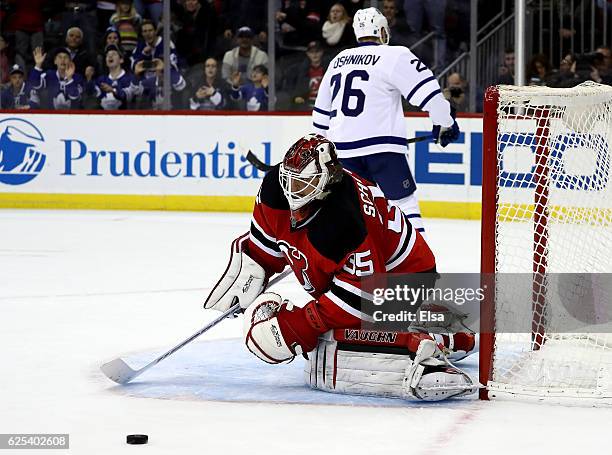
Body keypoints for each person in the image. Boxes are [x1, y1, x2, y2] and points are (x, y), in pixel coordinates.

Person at [204, 133, 477, 402]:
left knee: (336, 342)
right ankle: (440, 325)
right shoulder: (275, 187)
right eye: (288, 180)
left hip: (406, 276)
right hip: (361, 278)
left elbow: (362, 297)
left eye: (301, 185)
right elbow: (265, 247)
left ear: (325, 183)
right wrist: (250, 270)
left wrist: (298, 325)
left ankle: (437, 347)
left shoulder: (346, 220)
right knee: (328, 337)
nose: (291, 191)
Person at [311, 7, 460, 234]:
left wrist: (321, 151)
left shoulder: (338, 60)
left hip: (343, 151)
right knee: (403, 204)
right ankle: (419, 264)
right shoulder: (394, 55)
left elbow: (320, 116)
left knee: (355, 210)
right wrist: (445, 122)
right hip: (383, 148)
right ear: (381, 30)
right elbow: (431, 95)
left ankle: (352, 263)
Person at [87, 44, 139, 110]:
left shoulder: (130, 78)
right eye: (107, 55)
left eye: (114, 54)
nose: (110, 56)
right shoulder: (101, 79)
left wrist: (113, 90)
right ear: (106, 62)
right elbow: (91, 93)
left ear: (121, 60)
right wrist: (89, 78)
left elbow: (128, 96)